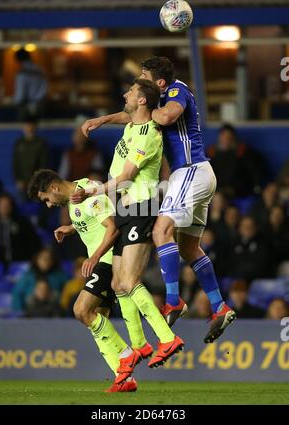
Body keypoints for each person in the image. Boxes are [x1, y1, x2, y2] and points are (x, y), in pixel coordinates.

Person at [80, 57, 235, 343]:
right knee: (189, 248)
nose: (140, 80)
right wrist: (103, 119)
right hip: (192, 176)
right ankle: (219, 306)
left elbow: (164, 117)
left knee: (162, 230)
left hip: (190, 170)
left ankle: (174, 301)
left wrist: (147, 107)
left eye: (144, 76)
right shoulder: (158, 98)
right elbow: (135, 115)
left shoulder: (177, 91)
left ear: (159, 82)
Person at [71, 78, 184, 369]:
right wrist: (102, 119)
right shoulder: (133, 126)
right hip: (125, 207)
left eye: (131, 92)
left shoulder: (149, 135)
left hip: (142, 206)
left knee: (130, 281)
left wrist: (92, 191)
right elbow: (125, 116)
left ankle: (167, 337)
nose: (125, 94)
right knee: (119, 284)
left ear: (142, 101)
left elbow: (127, 177)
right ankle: (139, 344)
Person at [28, 169, 146, 392]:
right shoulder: (77, 197)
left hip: (108, 260)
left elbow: (112, 228)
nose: (49, 205)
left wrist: (94, 256)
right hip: (105, 260)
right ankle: (124, 378)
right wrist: (71, 228)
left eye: (46, 199)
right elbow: (94, 216)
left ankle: (126, 354)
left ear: (53, 188)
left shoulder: (86, 193)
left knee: (81, 310)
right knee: (96, 320)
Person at [0, 193, 41, 264]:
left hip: (22, 263)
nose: (4, 207)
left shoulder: (23, 223)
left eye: (7, 204)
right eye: (1, 204)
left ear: (11, 206)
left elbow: (33, 242)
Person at [12, 247, 68, 312]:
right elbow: (17, 294)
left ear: (53, 261)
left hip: (54, 312)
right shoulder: (28, 276)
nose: (45, 261)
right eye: (42, 258)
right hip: (30, 312)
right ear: (36, 260)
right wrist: (20, 313)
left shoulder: (61, 276)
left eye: (48, 258)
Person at [12, 116, 48, 198]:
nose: (28, 127)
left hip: (37, 184)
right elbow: (15, 163)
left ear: (35, 126)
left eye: (30, 124)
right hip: (22, 185)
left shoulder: (41, 143)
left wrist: (37, 181)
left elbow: (44, 164)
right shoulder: (19, 143)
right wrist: (18, 180)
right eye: (26, 124)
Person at [14, 48, 47, 121]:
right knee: (37, 128)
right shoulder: (40, 70)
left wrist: (16, 101)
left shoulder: (22, 73)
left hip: (26, 107)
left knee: (28, 129)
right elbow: (44, 88)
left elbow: (20, 95)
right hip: (39, 105)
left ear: (18, 60)